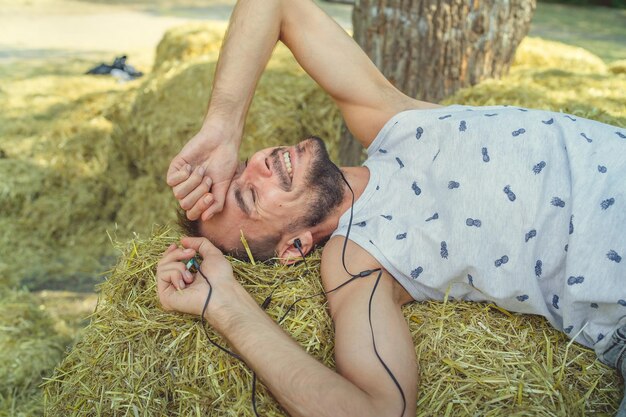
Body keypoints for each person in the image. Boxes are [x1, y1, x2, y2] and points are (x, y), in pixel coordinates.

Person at [156, 0, 626, 415]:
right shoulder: (356, 262)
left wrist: (223, 129)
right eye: (250, 194)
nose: (258, 161)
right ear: (295, 246)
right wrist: (227, 306)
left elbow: (276, 4)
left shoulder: (390, 124)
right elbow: (378, 410)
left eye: (241, 165)